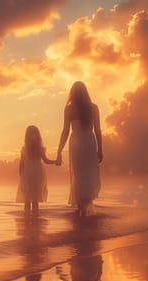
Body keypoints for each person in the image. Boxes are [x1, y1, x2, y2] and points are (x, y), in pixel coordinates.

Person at [56, 81, 103, 218]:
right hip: (89, 142)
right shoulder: (93, 108)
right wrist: (100, 149)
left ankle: (81, 208)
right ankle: (86, 206)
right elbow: (98, 131)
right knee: (89, 175)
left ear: (72, 94)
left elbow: (65, 131)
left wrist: (59, 151)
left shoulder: (69, 109)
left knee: (79, 175)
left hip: (76, 144)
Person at [16, 125, 57, 215]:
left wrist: (55, 161)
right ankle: (27, 221)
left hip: (38, 174)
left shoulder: (41, 149)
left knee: (35, 199)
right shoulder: (24, 149)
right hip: (27, 174)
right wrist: (21, 176)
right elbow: (21, 162)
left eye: (35, 133)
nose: (33, 135)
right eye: (31, 133)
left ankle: (35, 221)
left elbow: (46, 160)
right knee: (27, 199)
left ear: (38, 135)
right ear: (27, 136)